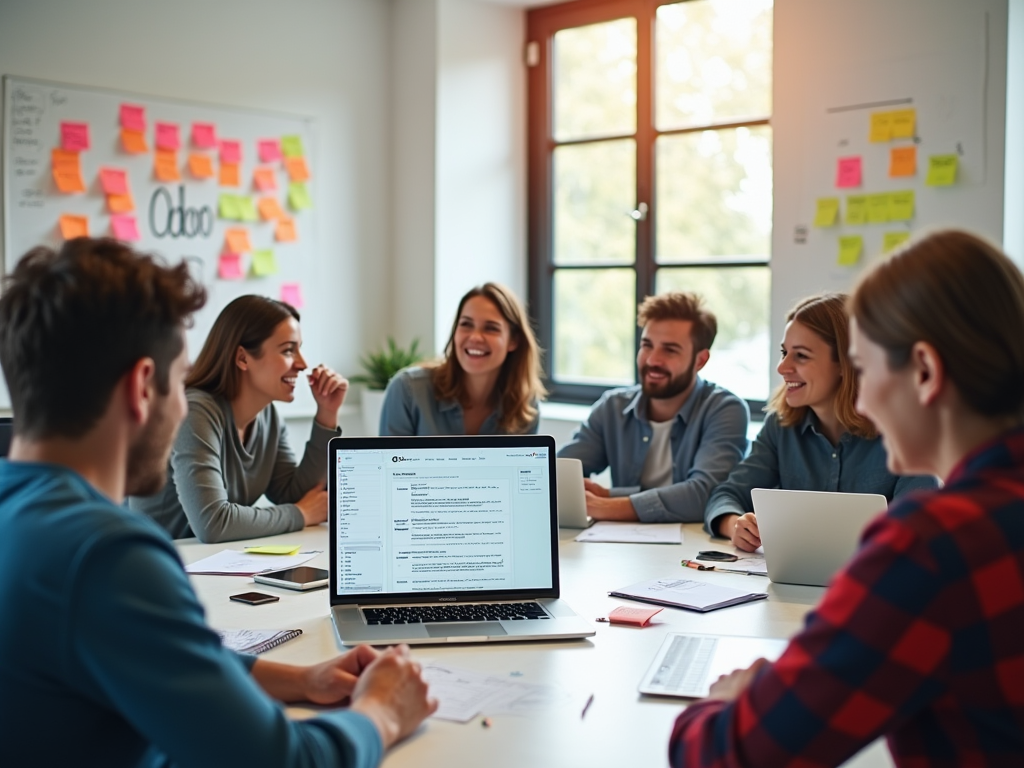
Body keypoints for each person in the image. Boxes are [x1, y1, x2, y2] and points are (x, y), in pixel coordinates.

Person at [0, 238, 436, 768]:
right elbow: (285, 761)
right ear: (143, 387)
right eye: (178, 379)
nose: (184, 402)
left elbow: (149, 652)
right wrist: (383, 712)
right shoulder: (109, 557)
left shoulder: (21, 517)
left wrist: (301, 678)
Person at [671, 230, 1024, 765]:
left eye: (865, 365)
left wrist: (719, 705)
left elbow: (729, 754)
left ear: (924, 372)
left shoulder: (931, 548)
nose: (865, 394)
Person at [705, 292, 936, 550]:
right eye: (784, 352)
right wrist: (735, 525)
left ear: (847, 362)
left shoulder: (906, 432)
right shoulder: (780, 427)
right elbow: (725, 496)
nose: (782, 367)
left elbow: (919, 528)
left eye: (801, 356)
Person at [130, 295, 345, 543]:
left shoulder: (268, 417)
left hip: (212, 563)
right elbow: (213, 523)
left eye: (300, 348)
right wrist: (300, 514)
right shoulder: (196, 412)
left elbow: (295, 495)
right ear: (242, 358)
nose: (302, 363)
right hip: (163, 560)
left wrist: (327, 414)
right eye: (288, 350)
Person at [558, 292, 749, 523]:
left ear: (700, 360)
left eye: (670, 350)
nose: (652, 360)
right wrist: (603, 496)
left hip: (694, 547)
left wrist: (606, 504)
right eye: (647, 345)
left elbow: (705, 494)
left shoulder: (725, 409)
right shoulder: (612, 407)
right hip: (621, 546)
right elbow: (559, 475)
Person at [379, 282, 546, 436]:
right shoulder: (408, 391)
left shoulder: (525, 407)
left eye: (491, 328)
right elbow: (390, 467)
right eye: (466, 324)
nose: (475, 337)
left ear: (513, 340)